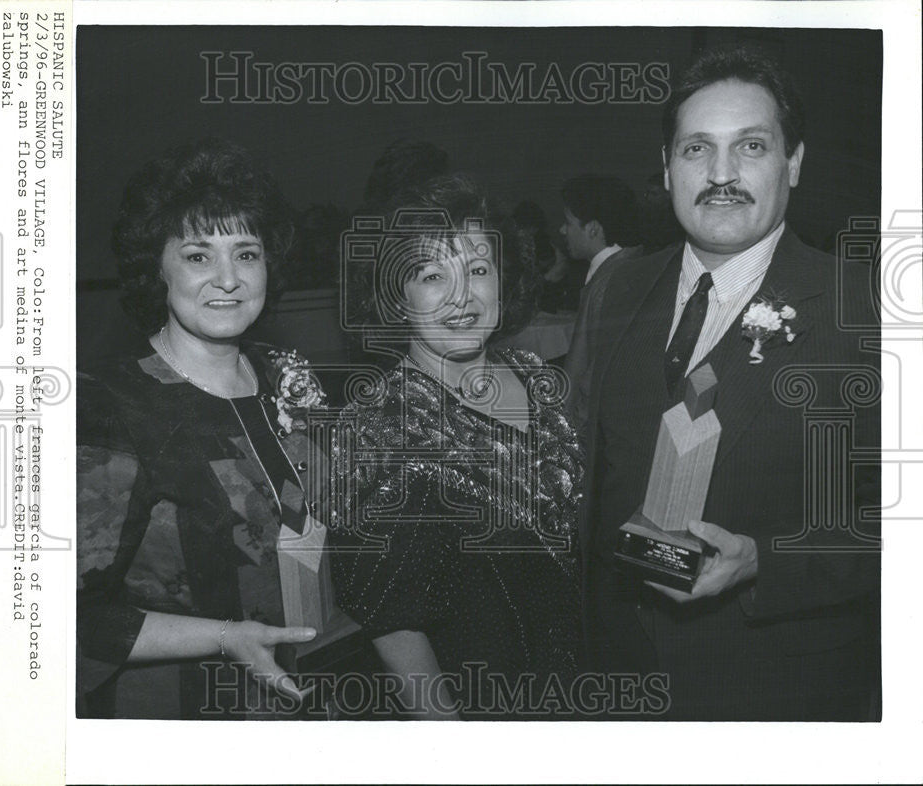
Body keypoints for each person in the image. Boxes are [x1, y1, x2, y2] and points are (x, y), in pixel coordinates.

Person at [573, 47, 880, 720]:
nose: (721, 175)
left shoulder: (868, 309)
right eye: (695, 150)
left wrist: (761, 563)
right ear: (665, 167)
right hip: (616, 684)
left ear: (793, 162)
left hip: (776, 695)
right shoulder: (616, 289)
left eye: (750, 147)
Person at [76, 138, 327, 719]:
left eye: (246, 254)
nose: (227, 279)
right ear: (156, 268)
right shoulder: (110, 405)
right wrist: (224, 636)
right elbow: (67, 613)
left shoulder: (285, 377)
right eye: (197, 256)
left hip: (303, 700)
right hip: (182, 716)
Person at [328, 174, 583, 719]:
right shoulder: (377, 429)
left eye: (478, 269)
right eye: (431, 274)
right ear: (396, 297)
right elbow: (392, 622)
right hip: (484, 710)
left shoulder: (537, 377)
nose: (463, 296)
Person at [561, 174, 644, 432]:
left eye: (568, 222)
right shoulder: (632, 265)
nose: (562, 230)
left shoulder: (608, 283)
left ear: (593, 229)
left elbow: (591, 373)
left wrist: (569, 431)